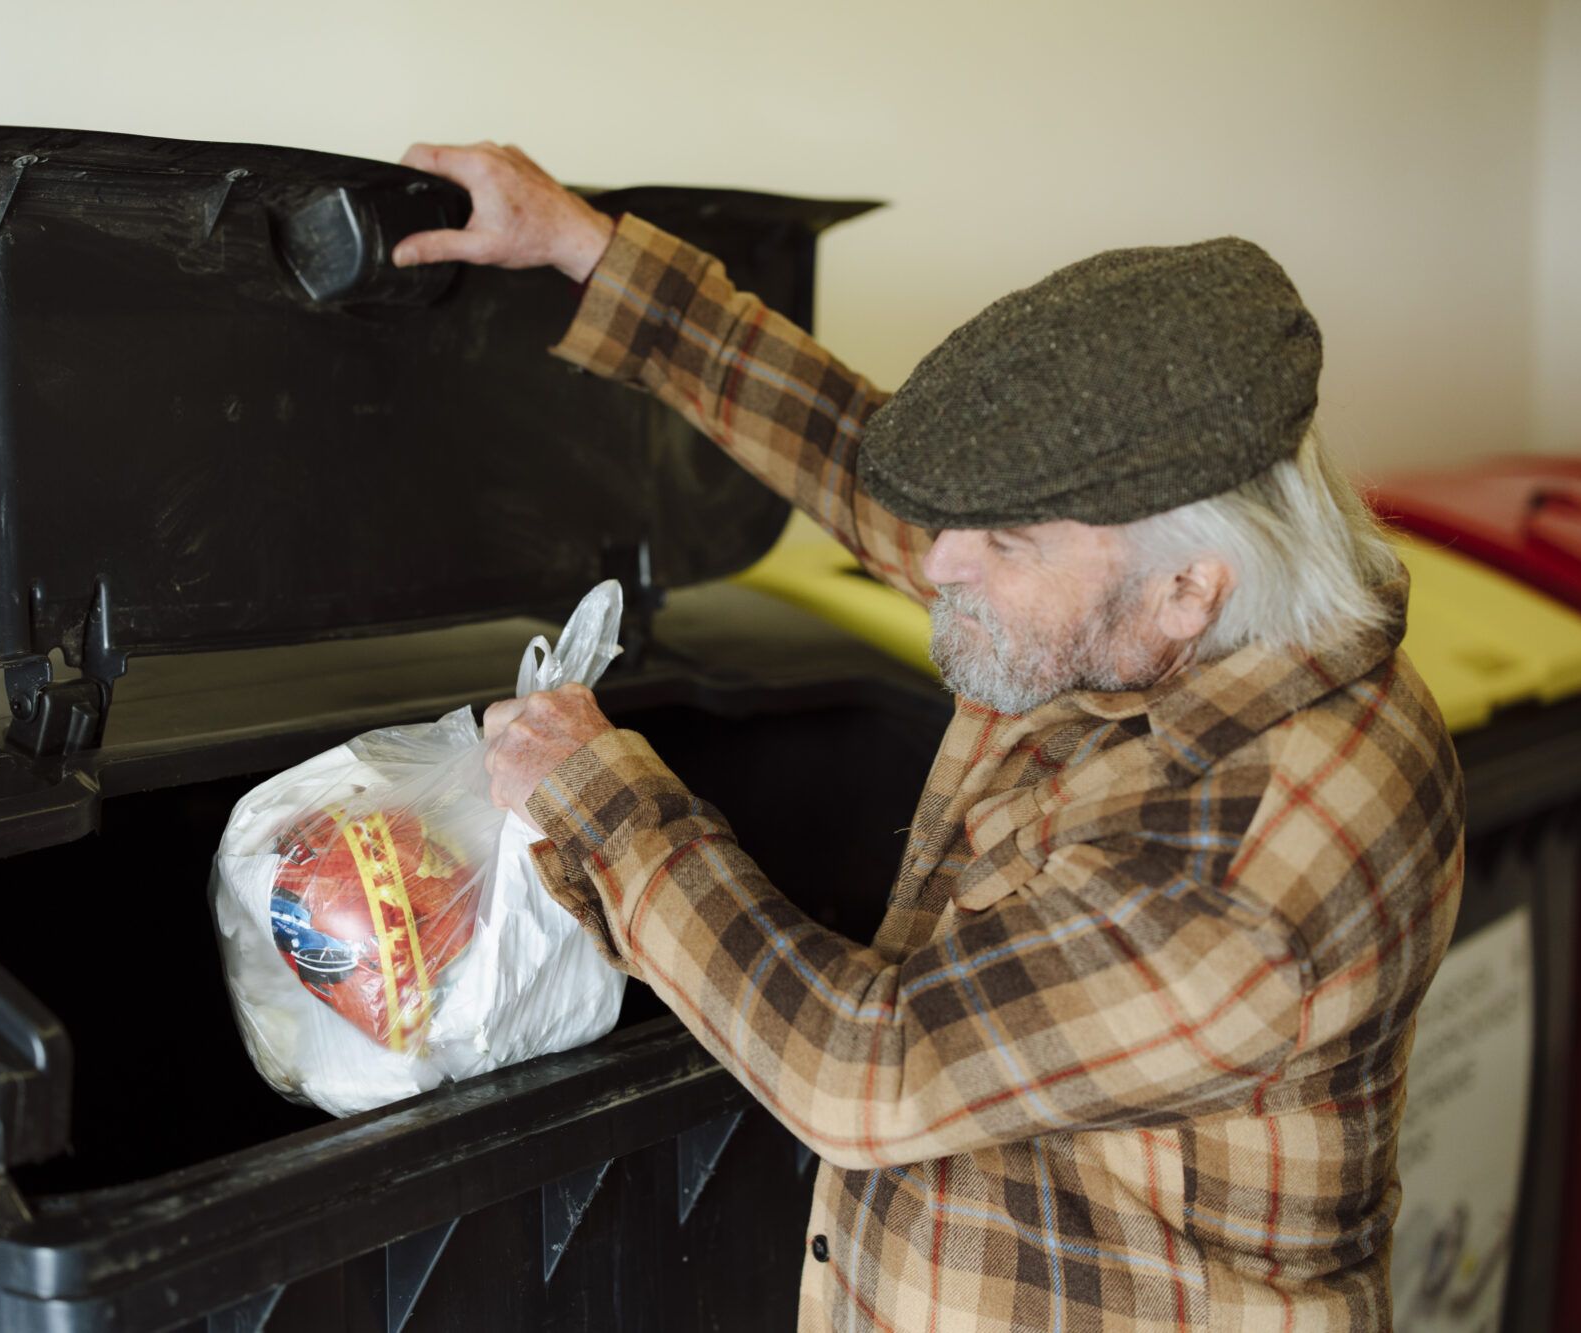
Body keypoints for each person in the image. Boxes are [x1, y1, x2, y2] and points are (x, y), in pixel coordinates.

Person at [395, 142, 1464, 1331]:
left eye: (1001, 547)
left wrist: (597, 796)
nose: (936, 560)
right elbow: (892, 480)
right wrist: (582, 251)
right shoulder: (1161, 608)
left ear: (1187, 588)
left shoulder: (1236, 869)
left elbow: (869, 1069)